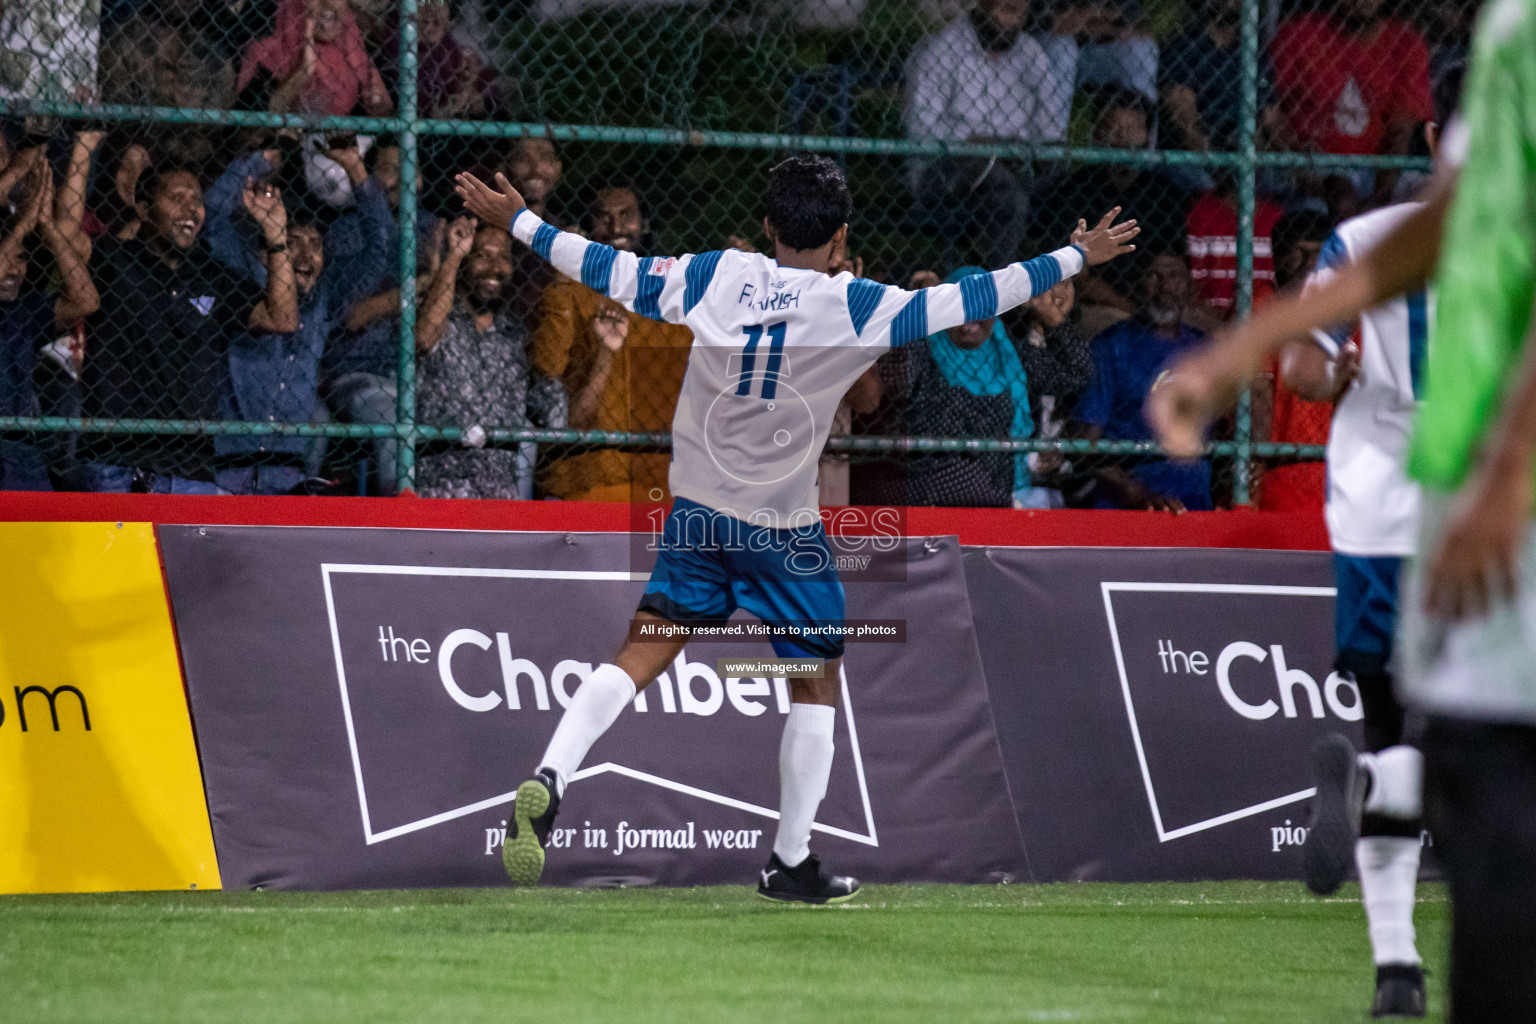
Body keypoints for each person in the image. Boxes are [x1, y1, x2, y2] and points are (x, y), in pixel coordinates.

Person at [456, 156, 1137, 902]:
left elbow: (606, 266)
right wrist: (1076, 255)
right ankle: (789, 859)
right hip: (782, 527)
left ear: (770, 227)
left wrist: (517, 219)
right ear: (841, 234)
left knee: (643, 647)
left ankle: (553, 771)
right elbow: (977, 294)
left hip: (696, 514)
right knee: (814, 680)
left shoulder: (716, 275)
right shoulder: (858, 305)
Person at [1146, 32, 1534, 1017]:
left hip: (1380, 503)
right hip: (1492, 506)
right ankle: (1389, 789)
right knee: (1467, 751)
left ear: (1432, 132)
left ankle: (1397, 962)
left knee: (1398, 723)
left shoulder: (1366, 237)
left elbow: (1311, 364)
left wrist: (1266, 358)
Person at [74, 165, 297, 493]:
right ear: (145, 210)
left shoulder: (212, 272)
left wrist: (277, 238)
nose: (191, 208)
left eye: (196, 199)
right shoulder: (115, 260)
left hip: (192, 470)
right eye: (176, 198)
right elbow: (64, 236)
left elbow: (282, 318)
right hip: (117, 461)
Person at [203, 141, 393, 494]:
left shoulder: (325, 298)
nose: (305, 255)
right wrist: (258, 159)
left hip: (287, 474)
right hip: (226, 468)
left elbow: (378, 246)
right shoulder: (244, 282)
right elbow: (212, 218)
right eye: (294, 242)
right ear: (273, 247)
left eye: (315, 244)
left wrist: (355, 168)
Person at [532, 182, 692, 503]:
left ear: (645, 224)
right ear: (588, 228)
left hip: (659, 479)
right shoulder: (568, 292)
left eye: (626, 215)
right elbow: (546, 370)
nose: (616, 227)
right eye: (603, 217)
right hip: (585, 479)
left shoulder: (672, 296)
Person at [904, 0, 1075, 269]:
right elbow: (923, 130)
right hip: (946, 169)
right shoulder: (942, 49)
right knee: (1003, 187)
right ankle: (1002, 294)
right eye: (1004, 9)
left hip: (1020, 163)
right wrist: (984, 146)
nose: (1011, 20)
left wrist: (1040, 156)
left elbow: (1051, 133)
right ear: (981, 5)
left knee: (1070, 184)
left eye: (1018, 12)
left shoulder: (1031, 54)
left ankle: (1053, 286)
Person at [414, 217, 566, 500]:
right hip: (441, 486)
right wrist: (455, 254)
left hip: (499, 491)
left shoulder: (514, 336)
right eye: (482, 256)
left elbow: (554, 414)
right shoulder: (443, 321)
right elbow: (423, 339)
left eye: (504, 258)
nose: (495, 269)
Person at [859, 266, 1036, 508]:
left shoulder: (1007, 354)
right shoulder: (922, 346)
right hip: (913, 490)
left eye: (981, 304)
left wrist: (1056, 321)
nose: (969, 315)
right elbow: (895, 385)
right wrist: (919, 313)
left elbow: (1073, 374)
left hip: (991, 493)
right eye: (959, 304)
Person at [1033, 86, 1191, 339]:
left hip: (1155, 298)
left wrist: (1156, 300)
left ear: (1148, 137)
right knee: (1112, 326)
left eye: (1133, 129)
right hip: (1099, 305)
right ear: (1098, 134)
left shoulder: (1163, 193)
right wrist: (1128, 308)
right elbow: (1077, 274)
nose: (1125, 139)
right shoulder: (1074, 190)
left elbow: (1171, 261)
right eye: (1115, 128)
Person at [1073, 248, 1209, 511]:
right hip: (1127, 500)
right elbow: (1085, 444)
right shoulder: (1111, 347)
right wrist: (1135, 493)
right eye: (1153, 276)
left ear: (1189, 286)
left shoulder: (1203, 348)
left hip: (1195, 497)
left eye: (1174, 276)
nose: (1165, 286)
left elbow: (1229, 426)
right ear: (1137, 285)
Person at [1270, 0, 1433, 204]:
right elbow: (1272, 115)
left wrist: (1379, 202)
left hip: (1378, 166)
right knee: (1334, 194)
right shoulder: (1299, 34)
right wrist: (1304, 172)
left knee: (1426, 191)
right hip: (1313, 163)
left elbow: (1400, 132)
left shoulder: (1406, 43)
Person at [0, 161, 98, 490]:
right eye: (7, 255)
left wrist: (47, 229)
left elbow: (86, 301)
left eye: (22, 258)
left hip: (19, 451)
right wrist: (21, 227)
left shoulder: (24, 309)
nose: (15, 267)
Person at [1256, 207, 1334, 513]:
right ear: (1278, 256)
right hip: (1282, 470)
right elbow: (1257, 395)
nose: (1310, 264)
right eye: (1299, 252)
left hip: (1338, 469)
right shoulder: (1265, 306)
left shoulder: (1350, 314)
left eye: (1318, 253)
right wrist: (1253, 464)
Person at [238, 0, 391, 116]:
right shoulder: (266, 52)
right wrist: (303, 71)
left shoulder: (356, 45)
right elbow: (241, 136)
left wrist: (378, 107)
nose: (326, 3)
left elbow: (387, 123)